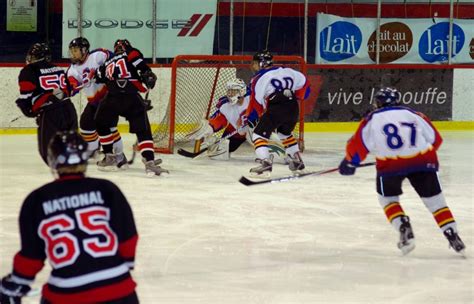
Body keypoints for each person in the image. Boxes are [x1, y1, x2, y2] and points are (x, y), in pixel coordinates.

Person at [0, 130, 139, 303]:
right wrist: (122, 265)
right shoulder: (106, 189)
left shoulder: (37, 200)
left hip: (66, 294)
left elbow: (31, 256)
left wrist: (18, 281)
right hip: (120, 292)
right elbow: (128, 237)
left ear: (52, 159)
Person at [338, 87, 465, 255]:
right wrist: (416, 154)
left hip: (390, 165)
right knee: (436, 202)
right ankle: (452, 233)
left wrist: (349, 162)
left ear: (378, 103)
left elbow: (357, 147)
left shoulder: (372, 119)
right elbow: (436, 140)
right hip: (423, 161)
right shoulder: (414, 114)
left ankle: (403, 225)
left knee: (388, 200)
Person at [94, 39, 166, 176]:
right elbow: (143, 69)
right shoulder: (131, 53)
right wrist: (148, 75)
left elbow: (98, 76)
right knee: (143, 129)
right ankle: (149, 161)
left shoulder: (108, 62)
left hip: (112, 98)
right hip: (131, 97)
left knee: (100, 122)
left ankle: (109, 155)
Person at [242, 50, 310, 177]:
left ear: (261, 64)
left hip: (277, 106)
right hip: (293, 106)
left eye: (255, 63)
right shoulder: (287, 71)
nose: (254, 66)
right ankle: (297, 162)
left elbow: (255, 101)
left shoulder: (259, 78)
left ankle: (265, 165)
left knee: (258, 135)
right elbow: (305, 86)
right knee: (284, 133)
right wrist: (297, 96)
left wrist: (251, 117)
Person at [185, 78, 286, 160]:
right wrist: (209, 128)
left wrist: (256, 118)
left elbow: (267, 110)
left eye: (234, 91)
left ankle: (281, 155)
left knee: (253, 132)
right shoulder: (224, 105)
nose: (230, 94)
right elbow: (220, 119)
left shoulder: (253, 98)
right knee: (219, 154)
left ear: (241, 91)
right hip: (237, 132)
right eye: (229, 91)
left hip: (257, 128)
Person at [67, 37, 127, 168]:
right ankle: (93, 151)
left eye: (76, 50)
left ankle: (120, 156)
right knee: (85, 125)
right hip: (94, 102)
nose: (73, 54)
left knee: (109, 127)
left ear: (84, 50)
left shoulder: (97, 56)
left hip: (109, 98)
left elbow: (115, 61)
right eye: (72, 51)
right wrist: (72, 88)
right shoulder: (73, 69)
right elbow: (71, 85)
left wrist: (102, 72)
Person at [15, 42, 78, 165]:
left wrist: (27, 108)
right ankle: (73, 177)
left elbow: (26, 97)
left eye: (33, 57)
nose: (30, 59)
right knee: (71, 150)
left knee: (50, 154)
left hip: (51, 114)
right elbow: (68, 91)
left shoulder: (28, 70)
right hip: (69, 109)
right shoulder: (59, 69)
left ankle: (63, 180)